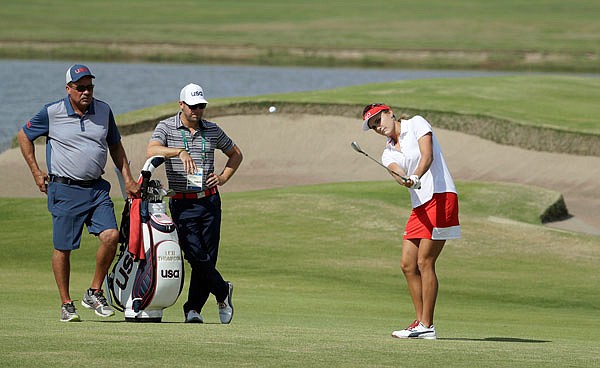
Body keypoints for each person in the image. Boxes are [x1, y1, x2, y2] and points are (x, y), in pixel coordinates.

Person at [17, 64, 139, 322]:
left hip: (96, 188)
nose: (86, 92)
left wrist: (127, 178)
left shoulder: (104, 110)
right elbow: (24, 136)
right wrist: (36, 171)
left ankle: (94, 292)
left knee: (111, 235)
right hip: (64, 189)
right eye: (80, 87)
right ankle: (66, 303)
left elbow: (115, 146)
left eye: (90, 87)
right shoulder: (52, 112)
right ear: (68, 89)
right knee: (63, 248)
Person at [361, 103, 460, 340]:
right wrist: (403, 179)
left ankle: (428, 324)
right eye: (373, 126)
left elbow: (428, 155)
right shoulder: (388, 152)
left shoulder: (416, 123)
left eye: (378, 120)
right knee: (407, 264)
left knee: (425, 261)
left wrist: (416, 175)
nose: (378, 127)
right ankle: (420, 324)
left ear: (389, 113)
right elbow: (396, 171)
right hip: (420, 205)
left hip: (440, 195)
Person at [146, 83, 243, 324]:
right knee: (194, 254)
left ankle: (193, 309)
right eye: (192, 106)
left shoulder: (212, 129)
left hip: (209, 201)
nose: (197, 111)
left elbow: (236, 154)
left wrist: (222, 177)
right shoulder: (166, 127)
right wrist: (179, 152)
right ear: (181, 105)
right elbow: (152, 149)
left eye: (201, 106)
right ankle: (222, 291)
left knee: (208, 257)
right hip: (181, 203)